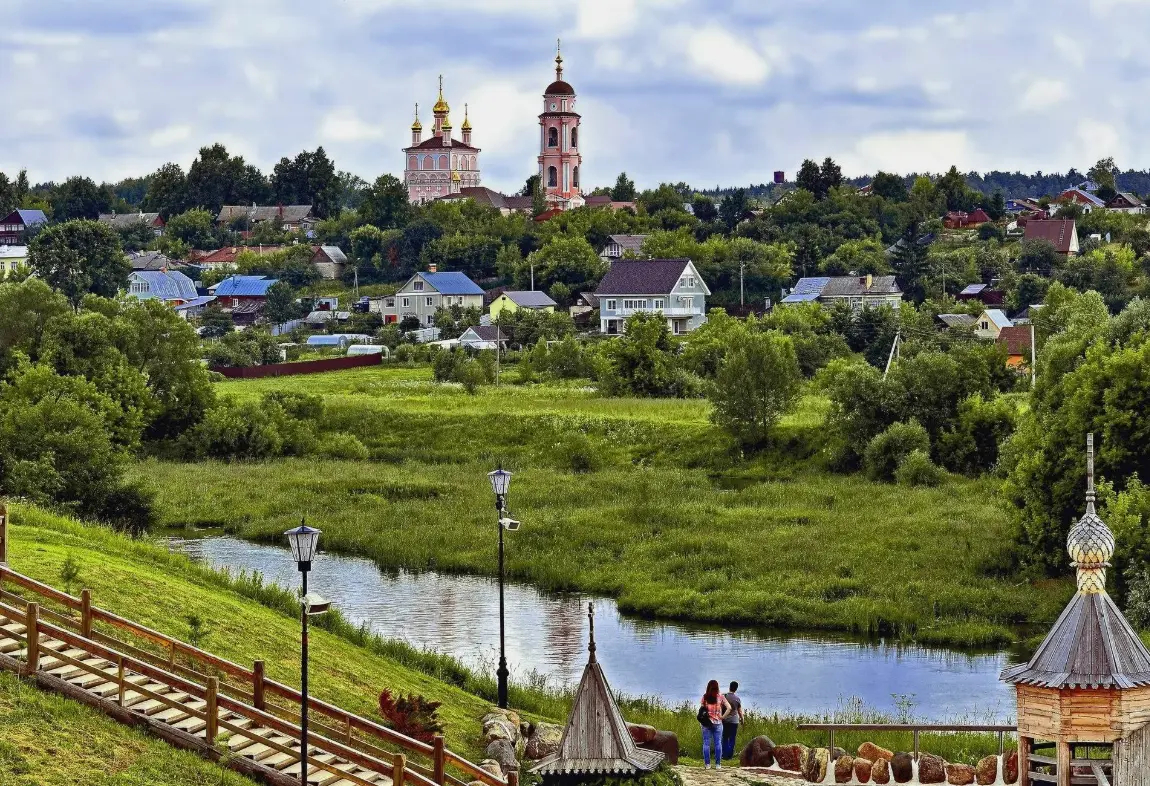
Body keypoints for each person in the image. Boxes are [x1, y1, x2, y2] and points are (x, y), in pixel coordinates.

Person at [699, 679, 731, 769]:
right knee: (718, 743)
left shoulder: (705, 697)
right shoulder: (721, 697)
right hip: (718, 723)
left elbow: (701, 711)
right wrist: (722, 717)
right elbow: (729, 708)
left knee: (706, 744)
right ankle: (718, 764)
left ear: (708, 687)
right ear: (717, 687)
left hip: (706, 724)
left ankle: (707, 764)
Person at [722, 681, 744, 760]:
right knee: (732, 738)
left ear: (729, 687)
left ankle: (724, 755)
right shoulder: (737, 699)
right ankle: (730, 755)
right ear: (736, 689)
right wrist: (742, 719)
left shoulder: (724, 696)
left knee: (725, 737)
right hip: (734, 721)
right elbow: (740, 711)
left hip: (725, 720)